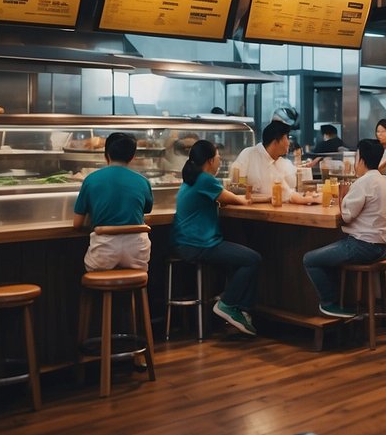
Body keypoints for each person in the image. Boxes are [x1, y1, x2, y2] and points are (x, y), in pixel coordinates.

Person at [173, 140, 261, 337]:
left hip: (184, 242)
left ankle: (241, 311)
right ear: (210, 161)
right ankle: (228, 304)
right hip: (198, 244)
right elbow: (235, 199)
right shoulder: (205, 179)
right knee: (252, 259)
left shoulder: (193, 178)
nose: (220, 160)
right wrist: (244, 199)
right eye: (218, 157)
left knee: (238, 260)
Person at [302, 139, 386, 318]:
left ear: (361, 160)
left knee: (310, 259)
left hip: (362, 245)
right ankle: (341, 302)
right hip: (380, 246)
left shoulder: (363, 182)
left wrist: (342, 197)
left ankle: (330, 303)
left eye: (356, 158)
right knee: (330, 258)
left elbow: (347, 216)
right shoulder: (380, 179)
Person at [71, 132, 154, 270]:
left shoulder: (91, 179)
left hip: (103, 254)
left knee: (88, 270)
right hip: (137, 254)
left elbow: (77, 224)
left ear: (106, 154)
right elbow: (146, 210)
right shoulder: (143, 181)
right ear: (132, 157)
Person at [231, 120, 315, 204]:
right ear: (275, 142)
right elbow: (236, 189)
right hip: (250, 209)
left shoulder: (282, 162)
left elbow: (289, 192)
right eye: (286, 138)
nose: (288, 143)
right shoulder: (248, 155)